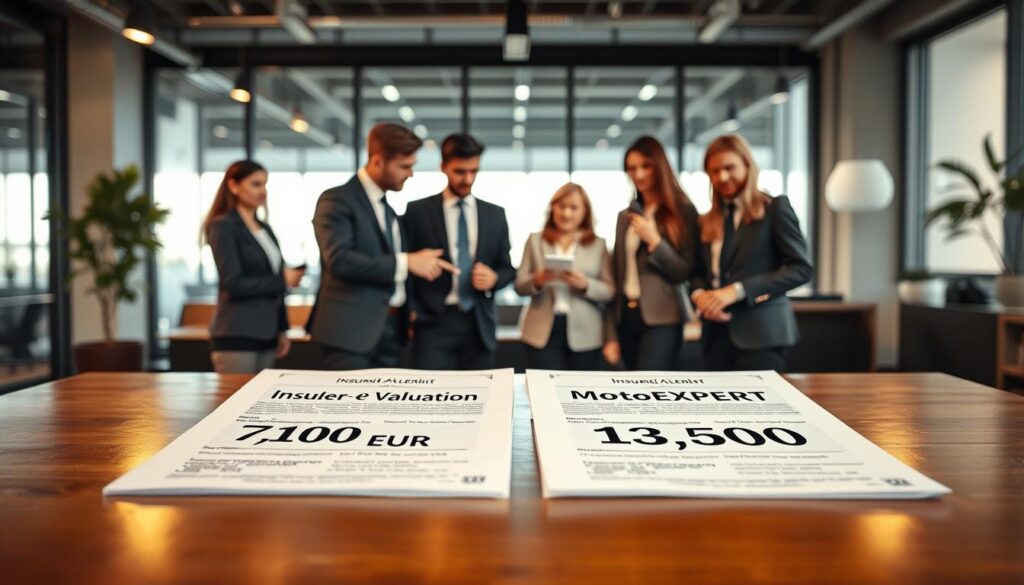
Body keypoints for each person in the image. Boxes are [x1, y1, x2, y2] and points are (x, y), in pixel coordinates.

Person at [306, 123, 458, 370]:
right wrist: (408, 262)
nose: (410, 175)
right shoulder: (336, 200)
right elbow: (340, 260)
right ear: (377, 162)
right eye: (404, 167)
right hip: (350, 334)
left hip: (391, 334)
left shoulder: (388, 209)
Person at [690, 134, 813, 371]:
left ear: (747, 164)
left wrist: (737, 291)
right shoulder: (706, 221)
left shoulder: (775, 208)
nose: (722, 177)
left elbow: (802, 269)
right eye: (714, 171)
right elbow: (697, 271)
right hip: (714, 335)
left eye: (729, 167)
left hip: (762, 335)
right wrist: (700, 296)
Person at [403, 133, 515, 369]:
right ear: (443, 167)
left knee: (482, 398)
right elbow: (405, 267)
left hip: (479, 323)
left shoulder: (496, 214)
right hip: (432, 322)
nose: (467, 178)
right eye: (460, 171)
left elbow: (507, 269)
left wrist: (494, 278)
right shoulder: (417, 212)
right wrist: (410, 310)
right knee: (430, 398)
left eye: (474, 171)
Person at [602, 136, 699, 371]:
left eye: (646, 166)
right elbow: (618, 274)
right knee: (630, 389)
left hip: (663, 318)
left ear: (660, 166)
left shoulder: (683, 211)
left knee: (647, 386)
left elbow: (684, 271)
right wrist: (610, 332)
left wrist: (654, 240)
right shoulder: (625, 216)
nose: (639, 174)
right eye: (632, 168)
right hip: (626, 316)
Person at [204, 160, 304, 373]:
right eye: (255, 184)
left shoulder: (264, 228)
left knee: (259, 402)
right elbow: (233, 283)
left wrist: (282, 329)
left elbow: (276, 283)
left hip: (268, 334)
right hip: (238, 333)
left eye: (265, 184)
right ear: (233, 186)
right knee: (234, 401)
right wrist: (282, 280)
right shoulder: (223, 226)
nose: (263, 191)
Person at [515, 183, 614, 370]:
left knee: (579, 392)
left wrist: (585, 284)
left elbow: (609, 291)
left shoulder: (598, 245)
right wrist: (538, 280)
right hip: (541, 331)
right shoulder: (535, 241)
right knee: (544, 391)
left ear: (585, 211)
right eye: (561, 206)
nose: (566, 213)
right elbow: (519, 286)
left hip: (586, 333)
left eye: (574, 207)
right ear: (552, 208)